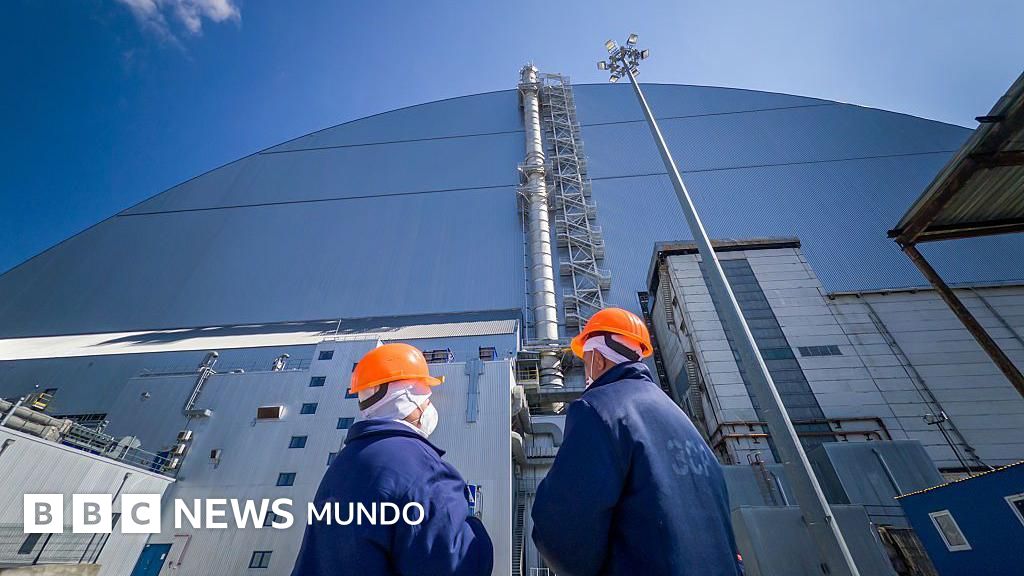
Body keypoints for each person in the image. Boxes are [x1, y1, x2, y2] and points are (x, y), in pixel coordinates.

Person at [531, 308, 742, 576]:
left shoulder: (598, 409)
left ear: (596, 358)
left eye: (585, 359)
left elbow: (562, 529)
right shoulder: (683, 422)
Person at [291, 342, 493, 576]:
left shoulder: (343, 464)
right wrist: (471, 523)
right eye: (428, 398)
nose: (430, 406)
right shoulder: (421, 469)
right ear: (411, 398)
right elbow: (457, 564)